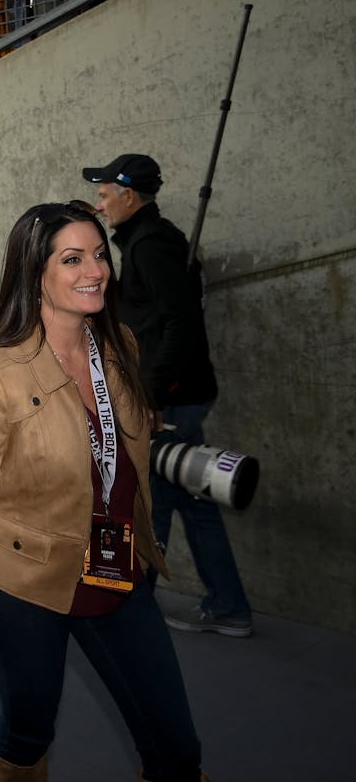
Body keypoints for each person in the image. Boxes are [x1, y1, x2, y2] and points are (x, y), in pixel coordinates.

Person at [0, 203, 210, 782]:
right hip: (24, 586)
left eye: (100, 255)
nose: (95, 270)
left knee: (176, 750)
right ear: (34, 273)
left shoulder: (119, 343)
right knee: (28, 732)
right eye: (72, 259)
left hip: (116, 569)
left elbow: (118, 455)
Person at [84, 153, 252, 637]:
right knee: (190, 502)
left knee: (144, 498)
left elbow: (181, 324)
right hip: (178, 394)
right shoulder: (147, 241)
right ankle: (227, 606)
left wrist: (152, 398)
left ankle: (127, 608)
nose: (100, 204)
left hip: (172, 399)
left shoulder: (151, 245)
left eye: (104, 195)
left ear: (128, 197)